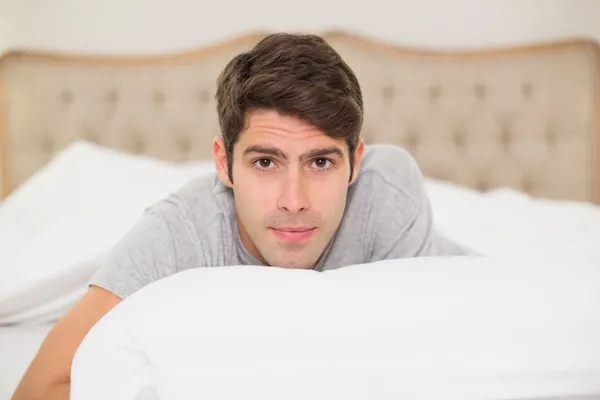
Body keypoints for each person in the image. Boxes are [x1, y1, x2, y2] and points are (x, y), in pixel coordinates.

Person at [11, 32, 469, 400]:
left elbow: (424, 369)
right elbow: (39, 388)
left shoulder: (385, 193)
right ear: (224, 165)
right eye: (265, 163)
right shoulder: (180, 232)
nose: (294, 200)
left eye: (321, 162)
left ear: (355, 164)